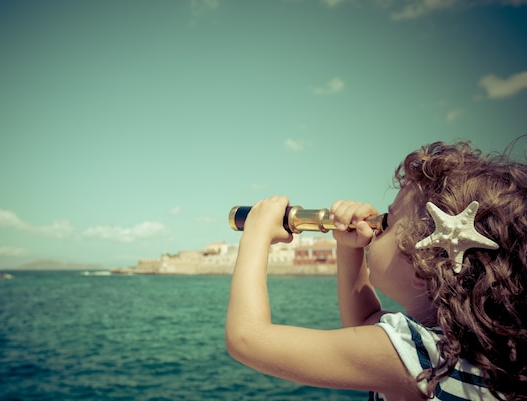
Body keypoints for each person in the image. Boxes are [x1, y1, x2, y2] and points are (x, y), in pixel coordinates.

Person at [225, 140, 527, 401]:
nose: (374, 226)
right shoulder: (471, 352)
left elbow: (247, 339)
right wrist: (349, 248)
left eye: (387, 221)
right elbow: (365, 323)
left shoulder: (424, 356)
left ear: (421, 269)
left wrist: (256, 233)